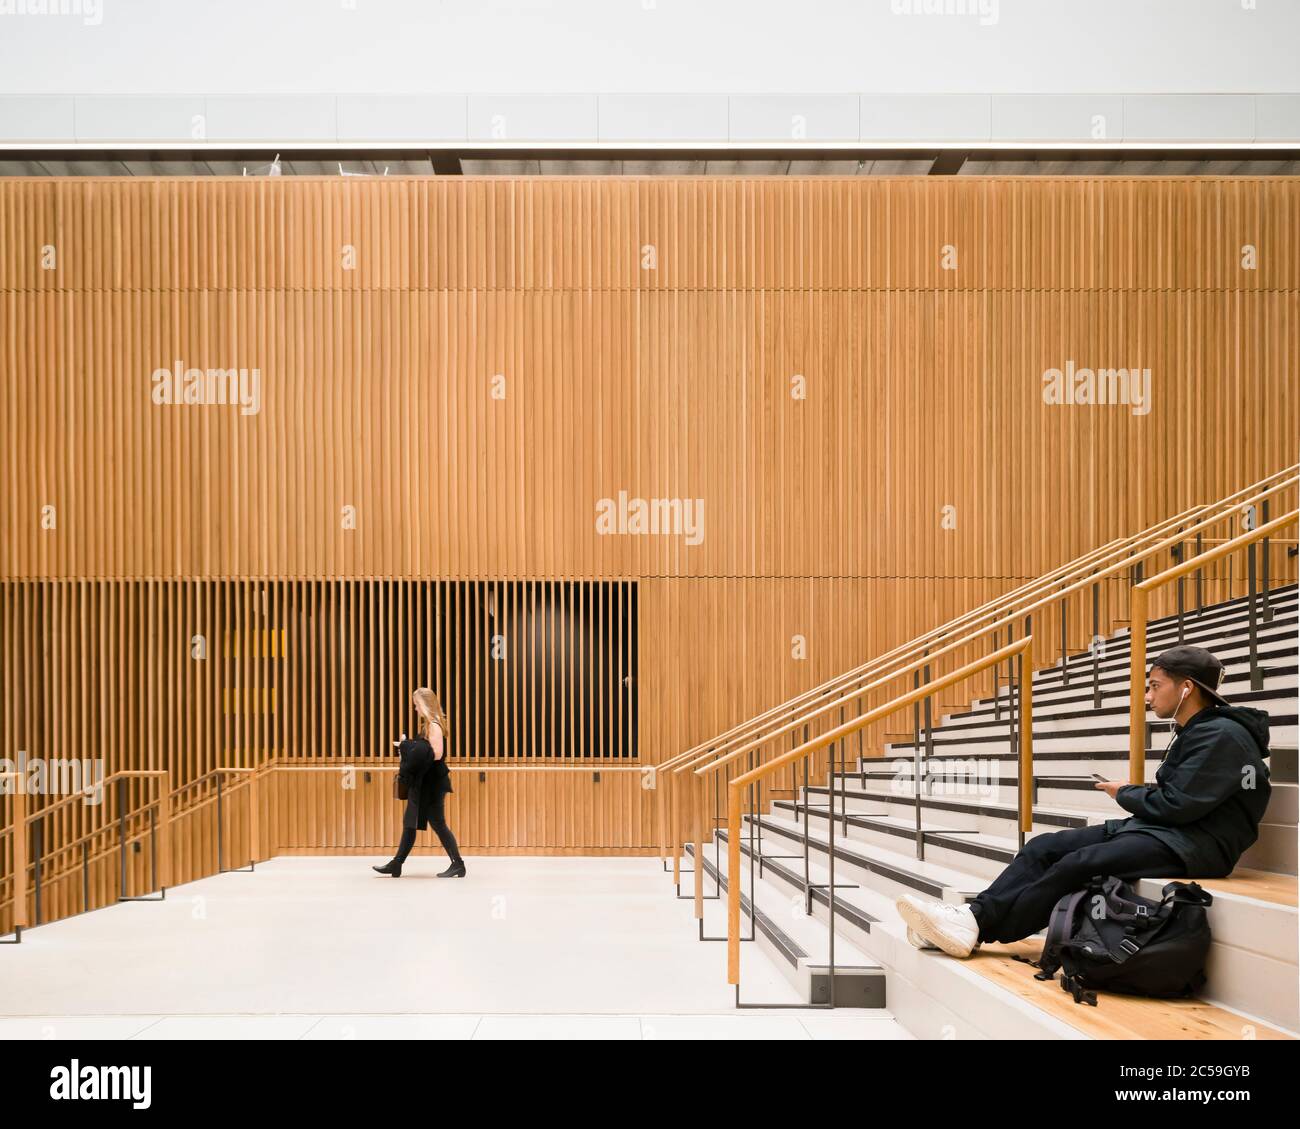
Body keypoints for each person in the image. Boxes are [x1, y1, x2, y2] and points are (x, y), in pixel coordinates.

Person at [896, 645, 1272, 958]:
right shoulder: (1199, 731)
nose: (1148, 696)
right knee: (1045, 846)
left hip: (1197, 845)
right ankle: (973, 916)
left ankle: (979, 928)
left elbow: (1177, 804)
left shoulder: (1223, 736)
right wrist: (1133, 794)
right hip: (1166, 831)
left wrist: (1125, 792)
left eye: (1155, 686)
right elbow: (1178, 799)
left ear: (1186, 688)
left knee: (1080, 863)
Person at [372, 687, 466, 879]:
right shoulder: (429, 725)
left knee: (438, 823)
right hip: (426, 782)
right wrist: (410, 747)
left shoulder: (434, 725)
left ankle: (458, 864)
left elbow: (437, 754)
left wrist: (409, 747)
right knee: (410, 822)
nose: (415, 708)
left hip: (432, 784)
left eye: (416, 704)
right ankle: (396, 864)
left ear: (424, 704)